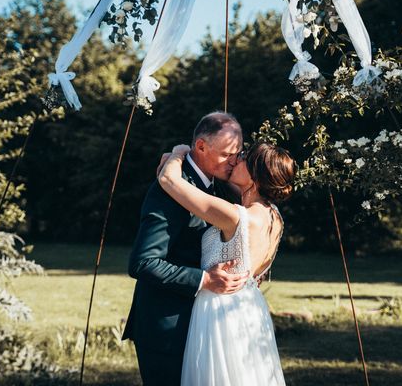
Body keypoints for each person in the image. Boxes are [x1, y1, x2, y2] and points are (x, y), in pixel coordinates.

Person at [122, 112, 250, 386]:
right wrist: (205, 280)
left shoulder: (219, 186)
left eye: (237, 153)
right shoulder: (168, 190)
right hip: (166, 327)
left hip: (202, 324)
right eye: (227, 154)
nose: (234, 161)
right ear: (201, 146)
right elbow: (143, 263)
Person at [158, 140, 297, 385]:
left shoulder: (234, 216)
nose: (236, 159)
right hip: (251, 307)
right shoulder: (274, 215)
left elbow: (169, 181)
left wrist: (180, 151)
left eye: (243, 157)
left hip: (220, 309)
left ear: (254, 177)